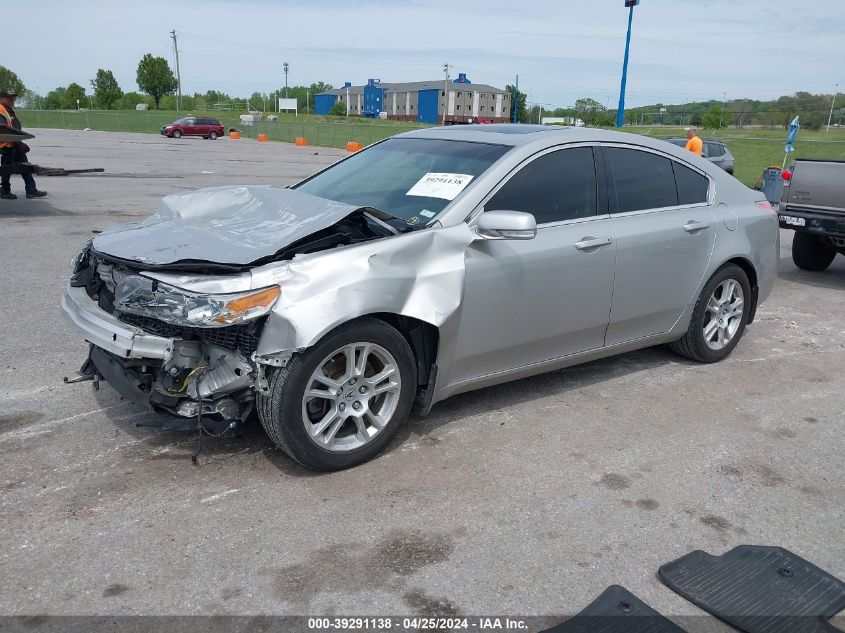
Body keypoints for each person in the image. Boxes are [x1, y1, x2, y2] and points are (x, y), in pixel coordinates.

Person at [0, 90, 47, 199]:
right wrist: (19, 142)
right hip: (6, 146)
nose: (12, 100)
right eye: (9, 98)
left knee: (25, 167)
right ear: (2, 98)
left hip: (15, 145)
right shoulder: (1, 110)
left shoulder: (9, 110)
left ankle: (31, 190)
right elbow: (4, 130)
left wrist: (19, 143)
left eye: (13, 98)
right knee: (6, 170)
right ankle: (4, 190)